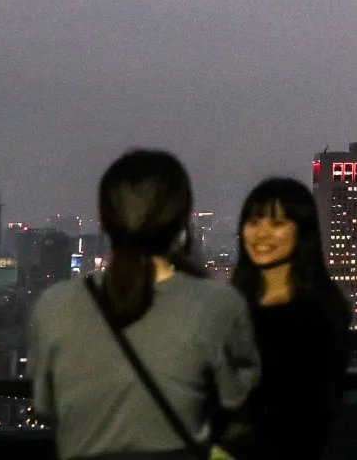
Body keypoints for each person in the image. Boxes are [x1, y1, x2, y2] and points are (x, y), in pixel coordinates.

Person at [31, 149, 259, 459]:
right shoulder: (218, 304)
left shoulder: (55, 305)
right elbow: (237, 396)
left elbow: (45, 405)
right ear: (182, 218)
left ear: (103, 218)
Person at [226, 177, 353, 460]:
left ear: (302, 232)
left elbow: (306, 411)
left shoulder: (316, 314)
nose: (261, 234)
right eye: (254, 222)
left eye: (277, 223)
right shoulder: (234, 304)